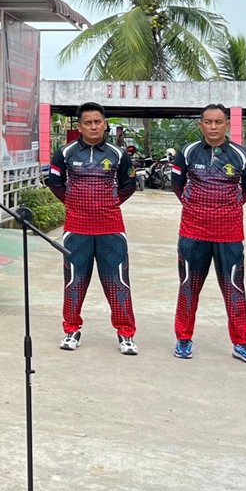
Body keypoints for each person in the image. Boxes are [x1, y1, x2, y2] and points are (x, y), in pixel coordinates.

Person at [169, 103, 246, 365]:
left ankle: (241, 343)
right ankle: (183, 338)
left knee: (234, 288)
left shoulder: (241, 155)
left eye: (218, 122)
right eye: (208, 122)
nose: (213, 127)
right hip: (192, 232)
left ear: (226, 125)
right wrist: (197, 208)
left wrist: (224, 211)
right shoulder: (187, 153)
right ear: (201, 125)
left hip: (229, 234)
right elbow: (179, 186)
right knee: (189, 287)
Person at [46, 102, 138, 355]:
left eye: (98, 122)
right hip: (77, 229)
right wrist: (75, 204)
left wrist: (108, 204)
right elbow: (55, 182)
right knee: (74, 281)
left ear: (105, 124)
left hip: (111, 229)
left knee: (118, 281)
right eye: (88, 122)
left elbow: (128, 185)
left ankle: (125, 334)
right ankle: (71, 329)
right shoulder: (65, 153)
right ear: (80, 126)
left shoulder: (118, 154)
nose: (93, 126)